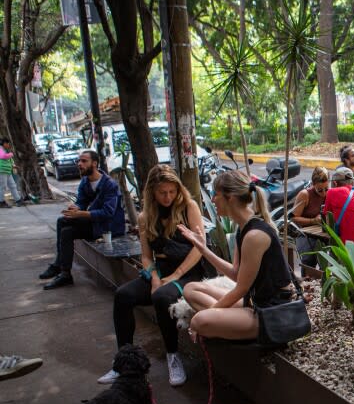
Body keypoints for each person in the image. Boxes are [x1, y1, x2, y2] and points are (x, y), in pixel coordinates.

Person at [98, 165, 205, 386]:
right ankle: (124, 363)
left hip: (188, 272)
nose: (168, 197)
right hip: (162, 272)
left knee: (161, 297)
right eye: (162, 192)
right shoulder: (145, 217)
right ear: (152, 193)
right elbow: (146, 257)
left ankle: (173, 357)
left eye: (172, 191)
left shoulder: (189, 207)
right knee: (123, 295)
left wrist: (176, 274)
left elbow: (199, 248)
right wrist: (155, 278)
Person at [178, 171, 296, 341]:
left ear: (230, 197)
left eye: (215, 194)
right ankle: (226, 321)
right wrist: (203, 249)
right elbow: (236, 274)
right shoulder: (243, 229)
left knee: (198, 320)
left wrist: (212, 313)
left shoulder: (255, 235)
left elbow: (241, 289)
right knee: (190, 289)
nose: (212, 200)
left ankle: (224, 322)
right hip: (253, 303)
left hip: (271, 313)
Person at [39, 150, 125, 290]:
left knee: (65, 228)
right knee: (64, 224)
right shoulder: (85, 182)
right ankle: (64, 271)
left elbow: (108, 213)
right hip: (94, 223)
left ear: (95, 163)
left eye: (84, 161)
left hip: (108, 228)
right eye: (79, 161)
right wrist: (75, 207)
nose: (79, 164)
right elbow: (81, 202)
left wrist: (80, 214)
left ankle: (60, 268)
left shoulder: (110, 184)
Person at [290, 166, 329, 267]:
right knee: (308, 262)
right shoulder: (305, 195)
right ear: (313, 184)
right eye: (320, 190)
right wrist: (313, 221)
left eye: (326, 189)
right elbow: (293, 218)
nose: (324, 193)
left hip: (321, 234)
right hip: (305, 235)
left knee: (326, 263)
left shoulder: (330, 194)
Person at [0, 138, 25, 208]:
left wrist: (14, 165)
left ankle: (18, 200)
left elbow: (9, 160)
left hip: (7, 171)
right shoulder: (0, 149)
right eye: (8, 143)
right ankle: (1, 202)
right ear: (4, 143)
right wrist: (11, 154)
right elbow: (3, 156)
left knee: (12, 185)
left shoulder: (5, 150)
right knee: (3, 187)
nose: (8, 145)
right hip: (2, 171)